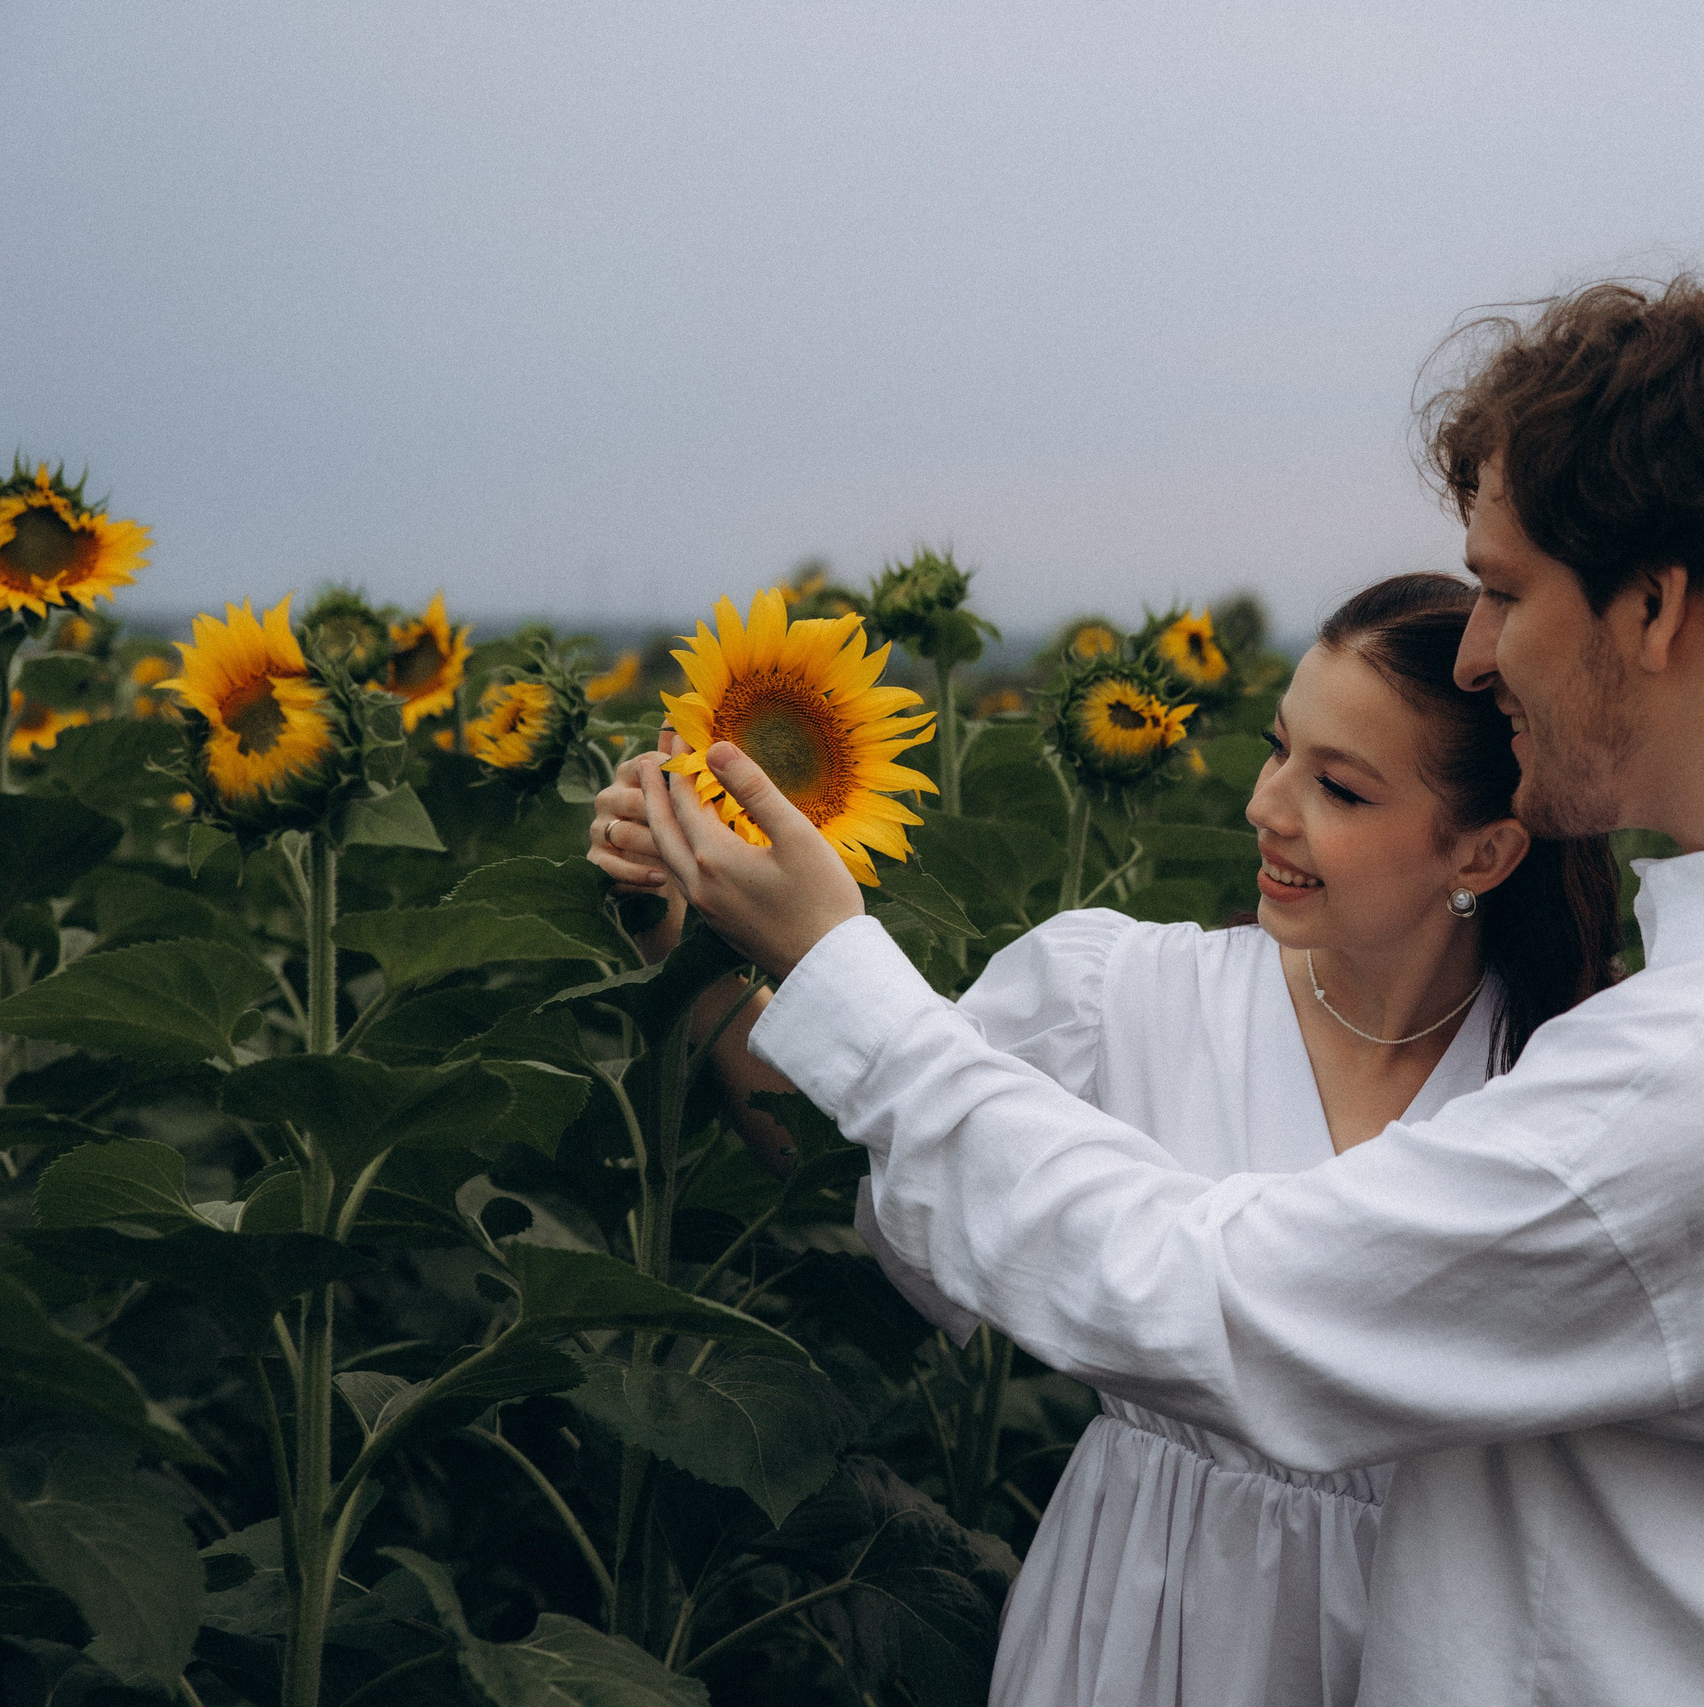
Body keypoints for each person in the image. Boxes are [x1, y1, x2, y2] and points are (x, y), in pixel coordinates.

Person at [626, 278, 1704, 1703]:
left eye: (1505, 590)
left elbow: (1221, 1306)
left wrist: (848, 981)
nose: (1480, 651)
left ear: (1655, 607)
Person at [589, 574, 1622, 1707]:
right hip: (1128, 1612)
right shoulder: (1120, 995)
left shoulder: (1573, 1089)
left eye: (1337, 787)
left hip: (1420, 1643)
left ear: (1481, 855)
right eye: (1279, 750)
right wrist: (676, 937)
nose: (1265, 807)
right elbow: (854, 1127)